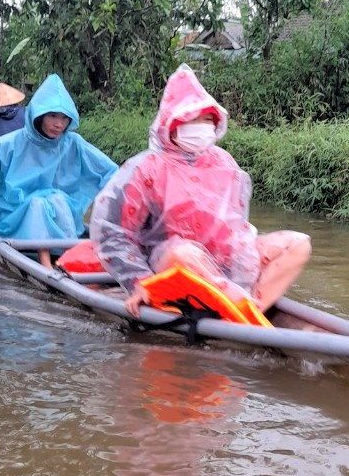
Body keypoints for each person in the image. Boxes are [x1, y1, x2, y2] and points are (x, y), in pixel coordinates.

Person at [90, 63, 311, 318]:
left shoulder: (223, 163)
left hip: (222, 260)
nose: (203, 126)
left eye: (208, 119)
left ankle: (251, 306)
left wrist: (242, 258)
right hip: (169, 259)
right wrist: (138, 282)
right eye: (194, 119)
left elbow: (236, 226)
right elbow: (113, 233)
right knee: (183, 254)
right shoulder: (147, 167)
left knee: (298, 244)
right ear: (172, 123)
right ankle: (236, 308)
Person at [0, 73, 118, 268]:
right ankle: (46, 264)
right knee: (38, 204)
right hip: (12, 218)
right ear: (39, 115)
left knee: (55, 200)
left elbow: (113, 176)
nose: (59, 124)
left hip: (59, 218)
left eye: (64, 118)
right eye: (52, 116)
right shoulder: (8, 145)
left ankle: (70, 256)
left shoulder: (74, 144)